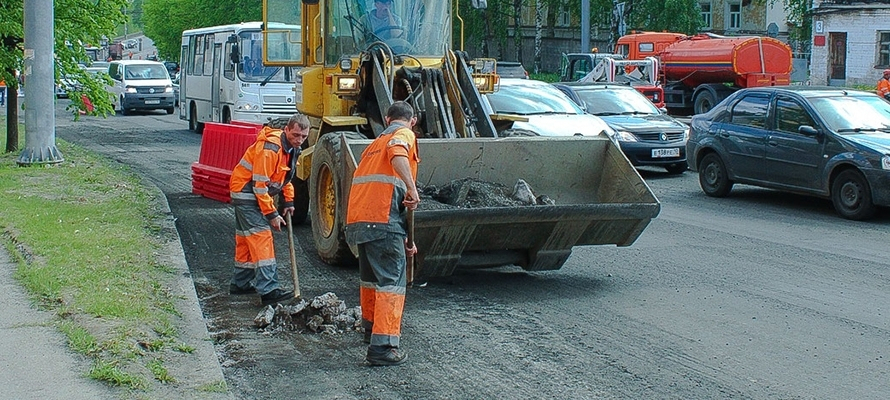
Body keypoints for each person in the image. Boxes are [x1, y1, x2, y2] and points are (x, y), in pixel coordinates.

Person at [346, 101, 420, 366]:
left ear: (387, 118)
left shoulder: (372, 146)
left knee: (370, 279)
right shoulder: (403, 135)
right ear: (412, 121)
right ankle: (384, 348)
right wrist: (412, 188)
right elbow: (398, 152)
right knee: (391, 282)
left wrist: (405, 239)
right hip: (382, 220)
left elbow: (382, 191)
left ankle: (371, 329)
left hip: (360, 221)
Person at [229, 114, 310, 306]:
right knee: (261, 238)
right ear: (287, 130)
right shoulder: (271, 147)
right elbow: (259, 186)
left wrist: (289, 202)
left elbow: (285, 179)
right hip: (246, 192)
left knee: (245, 239)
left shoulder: (292, 148)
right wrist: (272, 214)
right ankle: (269, 290)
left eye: (303, 137)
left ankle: (240, 284)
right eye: (296, 135)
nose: (299, 140)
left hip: (249, 191)